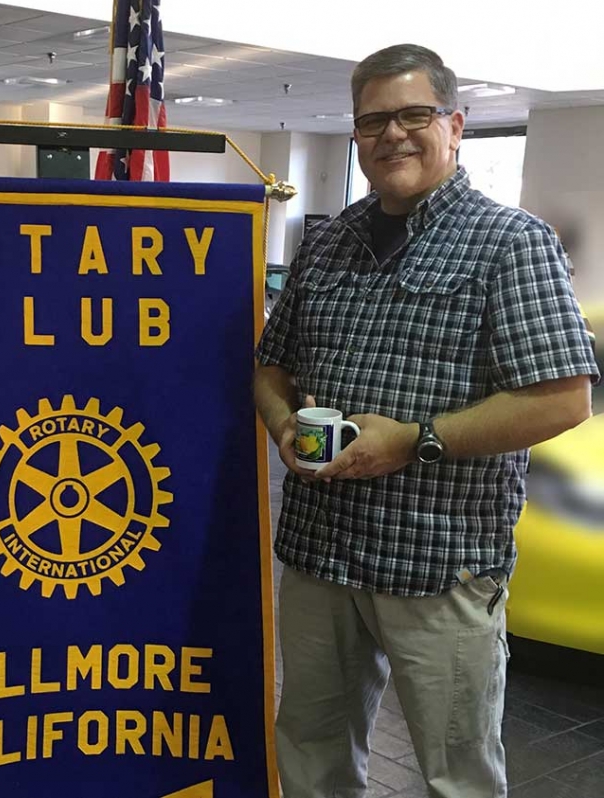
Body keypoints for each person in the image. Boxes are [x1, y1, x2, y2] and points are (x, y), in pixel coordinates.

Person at [253, 44, 598, 798]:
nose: (392, 135)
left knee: (457, 775)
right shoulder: (331, 241)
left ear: (455, 125)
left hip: (438, 562)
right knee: (310, 753)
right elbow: (271, 367)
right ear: (355, 136)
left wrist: (416, 439)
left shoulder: (511, 243)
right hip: (320, 552)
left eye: (414, 114)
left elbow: (563, 398)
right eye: (373, 120)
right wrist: (282, 425)